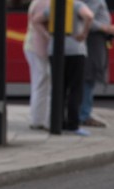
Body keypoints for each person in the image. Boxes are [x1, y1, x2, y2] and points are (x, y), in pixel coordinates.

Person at [38, 0, 94, 135]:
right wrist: (84, 33)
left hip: (55, 51)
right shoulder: (77, 4)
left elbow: (36, 19)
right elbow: (89, 16)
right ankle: (73, 124)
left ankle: (58, 122)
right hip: (76, 50)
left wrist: (47, 35)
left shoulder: (53, 6)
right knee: (75, 89)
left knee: (59, 88)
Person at [80, 0, 114, 128]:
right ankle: (83, 115)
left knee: (88, 77)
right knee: (88, 76)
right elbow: (84, 19)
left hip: (94, 40)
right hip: (92, 41)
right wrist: (107, 28)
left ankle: (83, 113)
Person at [23, 0, 51, 130]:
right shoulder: (44, 2)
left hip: (34, 46)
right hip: (38, 47)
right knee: (42, 82)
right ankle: (39, 120)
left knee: (40, 82)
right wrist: (49, 37)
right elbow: (37, 22)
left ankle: (39, 119)